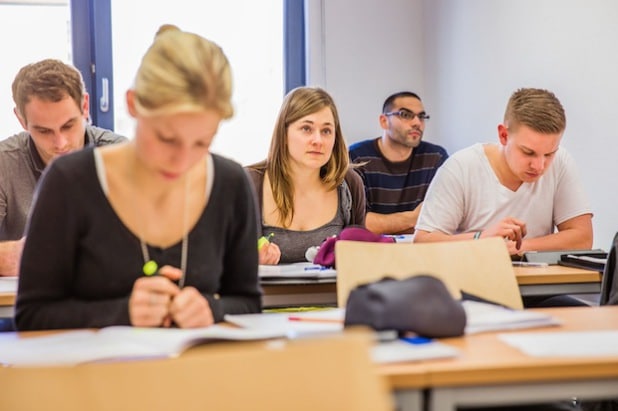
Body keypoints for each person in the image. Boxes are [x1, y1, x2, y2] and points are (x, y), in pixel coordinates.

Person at [15, 25, 261, 331]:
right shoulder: (70, 182)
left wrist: (211, 309)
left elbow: (249, 302)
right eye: (166, 139)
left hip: (198, 376)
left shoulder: (230, 183)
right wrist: (122, 312)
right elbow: (32, 315)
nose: (182, 160)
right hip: (95, 378)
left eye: (202, 143)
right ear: (132, 105)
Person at [414, 88, 593, 307]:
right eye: (528, 152)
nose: (539, 166)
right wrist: (483, 240)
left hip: (537, 289)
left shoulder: (562, 162)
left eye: (549, 154)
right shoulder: (461, 168)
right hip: (470, 291)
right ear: (503, 135)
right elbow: (422, 242)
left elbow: (582, 237)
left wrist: (520, 247)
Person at [0, 59, 126, 277]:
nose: (61, 143)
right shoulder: (5, 164)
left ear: (85, 106)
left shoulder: (123, 156)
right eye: (44, 131)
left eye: (69, 126)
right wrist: (4, 258)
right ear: (21, 120)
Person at [246, 86, 366, 265]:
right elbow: (220, 260)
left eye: (326, 131)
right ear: (284, 133)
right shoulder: (249, 183)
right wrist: (248, 260)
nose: (318, 140)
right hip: (267, 293)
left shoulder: (349, 183)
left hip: (332, 293)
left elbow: (359, 260)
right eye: (306, 129)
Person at [349, 91, 448, 235]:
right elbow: (357, 223)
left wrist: (383, 223)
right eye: (405, 115)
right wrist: (414, 219)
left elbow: (442, 220)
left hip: (420, 249)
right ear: (384, 121)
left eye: (421, 116)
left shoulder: (435, 157)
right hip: (370, 250)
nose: (417, 123)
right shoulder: (357, 158)